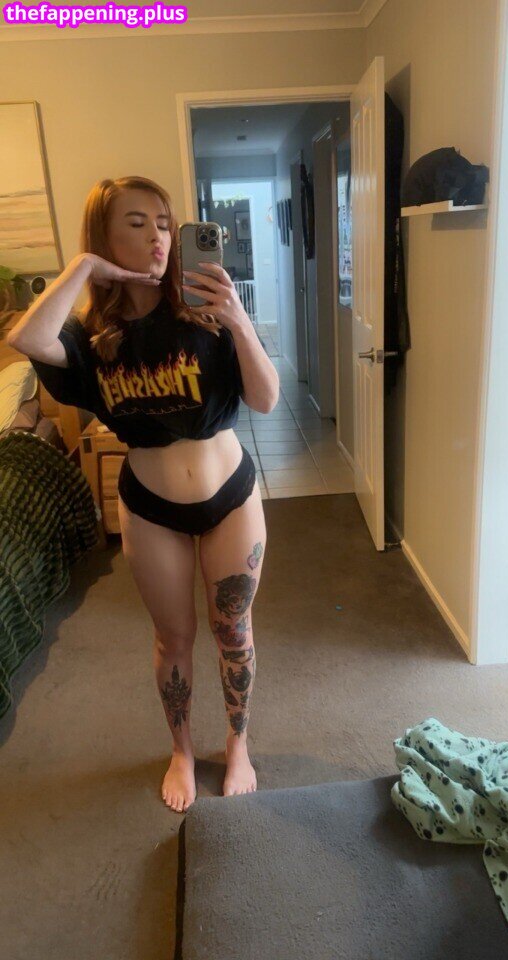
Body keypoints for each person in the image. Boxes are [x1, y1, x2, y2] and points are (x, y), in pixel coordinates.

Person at [7, 175, 280, 813]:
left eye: (163, 223)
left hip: (231, 497)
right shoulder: (90, 338)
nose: (158, 237)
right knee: (172, 638)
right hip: (151, 510)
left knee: (233, 630)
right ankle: (181, 751)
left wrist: (238, 319)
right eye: (136, 223)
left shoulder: (205, 311)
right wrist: (83, 268)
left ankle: (237, 744)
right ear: (103, 238)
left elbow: (266, 399)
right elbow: (25, 338)